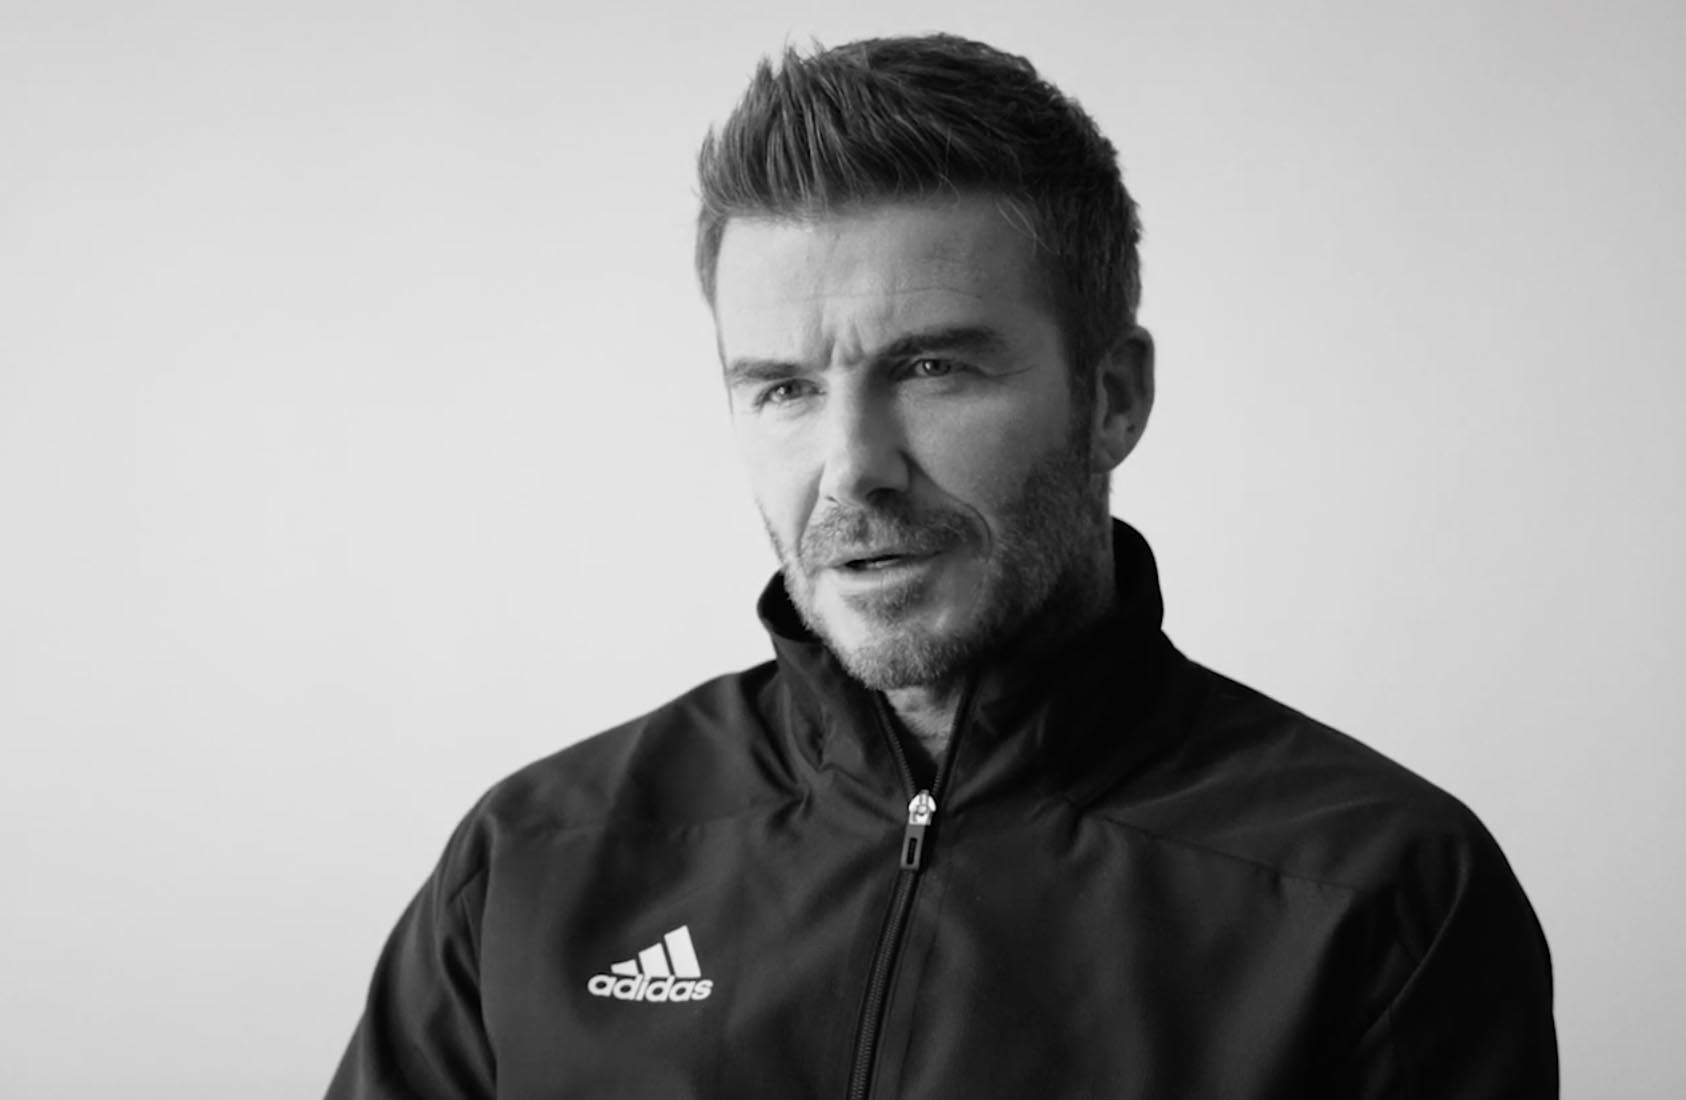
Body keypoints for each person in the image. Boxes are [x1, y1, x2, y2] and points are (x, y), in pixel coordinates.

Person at [326, 33, 1557, 1100]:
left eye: (932, 369)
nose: (852, 471)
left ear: (1113, 397)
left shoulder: (1377, 892)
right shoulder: (534, 862)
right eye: (785, 389)